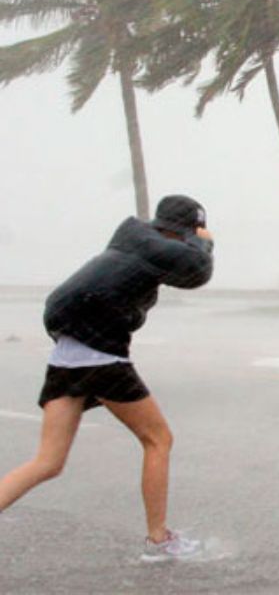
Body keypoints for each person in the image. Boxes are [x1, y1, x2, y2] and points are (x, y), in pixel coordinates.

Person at [0, 195, 214, 560]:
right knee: (158, 439)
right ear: (182, 230)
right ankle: (159, 542)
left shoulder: (135, 243)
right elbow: (198, 271)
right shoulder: (153, 245)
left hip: (67, 355)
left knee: (48, 462)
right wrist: (203, 241)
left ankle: (159, 540)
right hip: (99, 355)